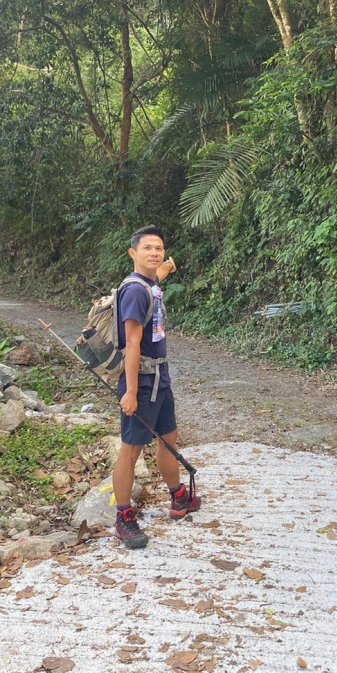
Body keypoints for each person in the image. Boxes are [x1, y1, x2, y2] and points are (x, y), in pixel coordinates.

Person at [113, 225, 200, 549]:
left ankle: (179, 497)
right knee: (131, 449)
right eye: (147, 248)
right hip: (142, 380)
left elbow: (158, 275)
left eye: (159, 249)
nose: (154, 253)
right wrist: (130, 391)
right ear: (132, 253)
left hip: (160, 378)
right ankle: (124, 518)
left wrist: (166, 268)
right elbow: (132, 344)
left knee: (168, 438)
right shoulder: (135, 291)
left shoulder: (150, 283)